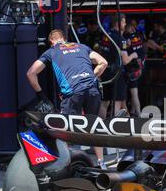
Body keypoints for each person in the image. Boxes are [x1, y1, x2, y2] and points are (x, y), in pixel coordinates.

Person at [26, 29, 108, 168]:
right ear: (64, 38)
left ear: (51, 41)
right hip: (92, 90)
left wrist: (41, 95)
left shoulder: (51, 51)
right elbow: (103, 62)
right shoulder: (82, 47)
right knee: (94, 127)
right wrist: (91, 77)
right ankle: (101, 163)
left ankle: (65, 165)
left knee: (65, 130)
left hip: (72, 92)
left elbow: (31, 73)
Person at [98, 14, 138, 118]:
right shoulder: (121, 39)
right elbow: (125, 61)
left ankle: (100, 126)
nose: (125, 24)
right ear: (118, 23)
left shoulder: (105, 35)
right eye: (124, 22)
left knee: (105, 102)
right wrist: (134, 55)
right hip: (117, 73)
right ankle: (113, 125)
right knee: (117, 101)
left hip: (105, 71)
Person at [124, 23, 145, 116]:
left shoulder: (126, 37)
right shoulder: (140, 36)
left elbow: (126, 46)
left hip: (130, 67)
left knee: (132, 92)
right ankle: (134, 112)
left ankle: (137, 114)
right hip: (139, 66)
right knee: (134, 92)